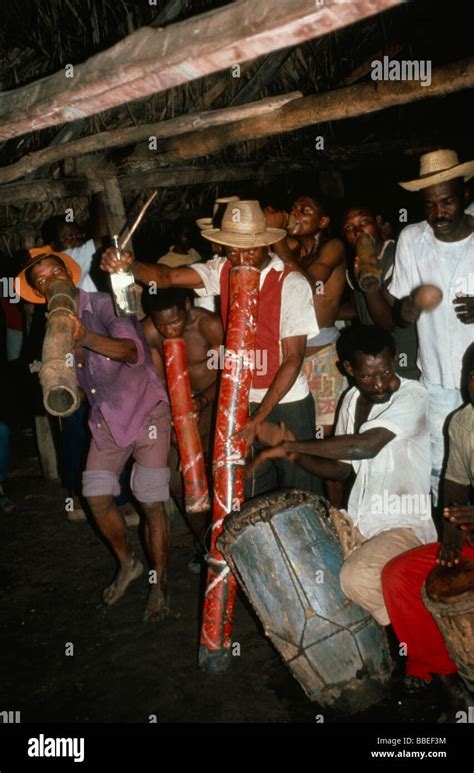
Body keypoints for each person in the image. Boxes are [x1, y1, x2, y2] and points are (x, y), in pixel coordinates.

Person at [101, 200, 322, 497]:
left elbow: (293, 360)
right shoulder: (223, 268)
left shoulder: (291, 283)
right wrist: (129, 265)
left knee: (300, 489)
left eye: (250, 250)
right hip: (241, 399)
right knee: (253, 492)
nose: (241, 258)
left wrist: (256, 420)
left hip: (286, 402)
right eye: (233, 250)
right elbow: (167, 277)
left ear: (267, 244)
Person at [16, 249, 171, 623]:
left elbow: (131, 353)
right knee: (95, 496)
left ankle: (159, 582)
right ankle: (128, 562)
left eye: (54, 272)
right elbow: (75, 382)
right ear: (39, 292)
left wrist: (84, 339)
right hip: (107, 417)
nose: (49, 280)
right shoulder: (51, 327)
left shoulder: (103, 303)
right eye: (40, 280)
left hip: (146, 409)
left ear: (69, 276)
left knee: (150, 504)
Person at [250, 326, 437, 625]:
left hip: (405, 525)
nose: (380, 384)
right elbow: (340, 469)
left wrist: (290, 443)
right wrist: (294, 455)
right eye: (367, 376)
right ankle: (400, 630)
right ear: (347, 368)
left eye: (386, 371)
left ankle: (420, 636)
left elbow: (364, 447)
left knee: (356, 578)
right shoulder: (351, 399)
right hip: (363, 522)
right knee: (300, 567)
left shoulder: (413, 396)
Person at [381, 343, 474, 715]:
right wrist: (451, 526)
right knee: (398, 576)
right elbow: (454, 486)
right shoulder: (464, 421)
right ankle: (447, 679)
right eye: (473, 377)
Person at [387, 149, 474, 505]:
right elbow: (398, 310)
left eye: (447, 201)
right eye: (430, 204)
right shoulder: (411, 239)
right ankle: (453, 547)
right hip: (437, 380)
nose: (439, 213)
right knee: (442, 470)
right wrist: (406, 309)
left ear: (465, 195)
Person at [141, 286, 223, 561]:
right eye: (160, 323)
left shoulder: (209, 325)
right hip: (173, 412)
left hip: (212, 405)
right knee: (180, 483)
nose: (168, 330)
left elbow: (229, 375)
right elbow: (154, 385)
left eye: (174, 321)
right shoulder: (149, 332)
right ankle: (205, 544)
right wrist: (175, 426)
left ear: (187, 306)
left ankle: (228, 541)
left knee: (217, 476)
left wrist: (201, 402)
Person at [284, 193, 348, 435]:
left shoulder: (333, 247)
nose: (294, 215)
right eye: (293, 208)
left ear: (322, 222)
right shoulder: (295, 250)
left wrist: (278, 243)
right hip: (291, 356)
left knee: (325, 434)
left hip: (322, 356)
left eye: (305, 210)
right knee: (294, 432)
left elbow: (308, 283)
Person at [341, 204, 420, 380]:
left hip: (403, 364)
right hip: (375, 365)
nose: (358, 231)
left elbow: (389, 323)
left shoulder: (395, 257)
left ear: (377, 223)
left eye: (364, 222)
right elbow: (358, 309)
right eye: (349, 228)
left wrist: (368, 282)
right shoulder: (354, 266)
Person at [41, 192, 109, 292]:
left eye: (79, 235)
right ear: (53, 244)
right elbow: (102, 238)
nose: (76, 240)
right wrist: (98, 194)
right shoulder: (68, 257)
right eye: (69, 237)